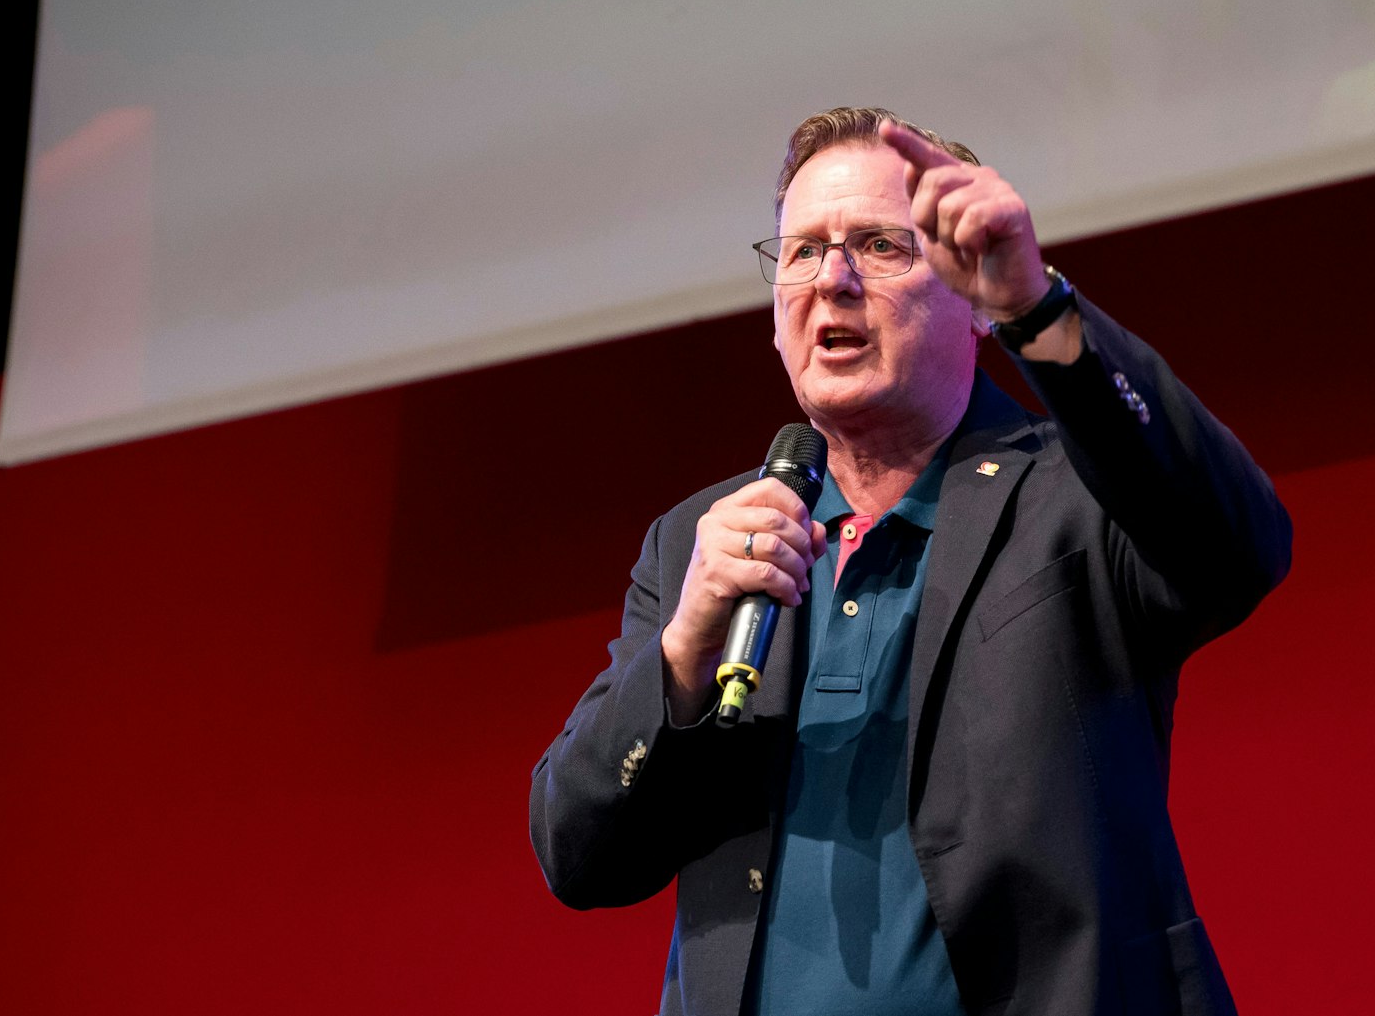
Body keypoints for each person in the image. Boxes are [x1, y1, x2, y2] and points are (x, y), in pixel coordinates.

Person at [529, 107, 1291, 1016]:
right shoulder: (705, 541)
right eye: (803, 251)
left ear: (973, 303)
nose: (832, 279)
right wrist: (682, 654)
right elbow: (578, 852)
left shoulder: (1074, 494)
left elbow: (1239, 543)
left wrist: (1037, 306)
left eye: (880, 246)